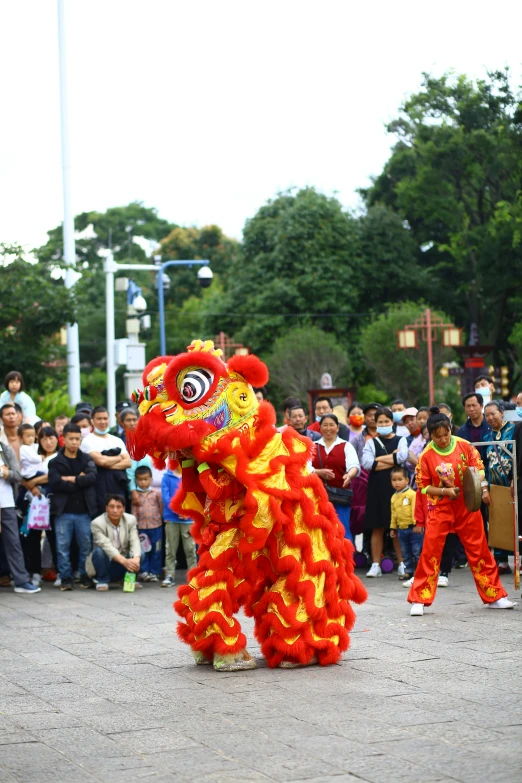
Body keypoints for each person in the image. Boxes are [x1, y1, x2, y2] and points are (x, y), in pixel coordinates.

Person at [408, 406, 514, 616]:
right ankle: (419, 599)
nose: (444, 440)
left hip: (467, 506)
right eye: (438, 437)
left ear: (450, 429)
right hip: (440, 508)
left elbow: (479, 468)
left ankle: (494, 595)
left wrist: (482, 489)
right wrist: (445, 491)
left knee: (479, 550)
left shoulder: (464, 446)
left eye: (446, 434)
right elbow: (423, 486)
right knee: (430, 553)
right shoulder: (427, 455)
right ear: (430, 435)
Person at [48, 423, 97, 591]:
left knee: (85, 546)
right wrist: (78, 480)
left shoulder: (86, 459)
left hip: (84, 511)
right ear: (64, 439)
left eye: (77, 439)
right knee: (62, 547)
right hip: (63, 511)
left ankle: (84, 575)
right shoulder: (55, 461)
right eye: (71, 439)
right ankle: (66, 578)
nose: (75, 442)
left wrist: (69, 479)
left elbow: (92, 478)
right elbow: (55, 483)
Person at [361, 407, 405, 578]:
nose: (384, 424)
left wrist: (378, 460)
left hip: (397, 489)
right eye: (380, 422)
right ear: (376, 424)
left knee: (398, 527)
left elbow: (402, 457)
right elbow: (366, 463)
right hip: (376, 488)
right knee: (377, 528)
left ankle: (402, 563)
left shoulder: (401, 440)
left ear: (392, 422)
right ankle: (375, 564)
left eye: (387, 421)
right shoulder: (371, 442)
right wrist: (392, 460)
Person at [18, 426, 59, 584]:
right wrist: (31, 486)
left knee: (54, 537)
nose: (48, 442)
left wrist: (33, 482)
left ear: (57, 438)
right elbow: (19, 473)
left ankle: (59, 571)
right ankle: (34, 571)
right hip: (33, 504)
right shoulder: (32, 454)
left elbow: (54, 476)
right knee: (32, 538)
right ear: (38, 440)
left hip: (53, 502)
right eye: (44, 439)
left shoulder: (60, 456)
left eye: (51, 438)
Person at [311, 414, 360, 542]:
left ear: (337, 427)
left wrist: (349, 475)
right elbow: (305, 468)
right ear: (320, 428)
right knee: (320, 531)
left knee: (342, 529)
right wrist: (318, 472)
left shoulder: (346, 446)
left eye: (331, 425)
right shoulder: (313, 446)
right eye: (325, 425)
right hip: (317, 497)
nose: (328, 428)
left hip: (340, 496)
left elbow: (354, 466)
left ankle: (346, 560)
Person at [0, 439, 40, 593]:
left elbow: (17, 474)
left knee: (13, 543)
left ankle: (21, 581)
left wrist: (4, 472)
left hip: (6, 502)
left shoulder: (5, 449)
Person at [483, 401, 515, 575]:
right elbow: (483, 464)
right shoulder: (487, 438)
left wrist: (516, 479)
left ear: (502, 412)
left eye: (493, 413)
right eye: (487, 415)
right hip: (494, 486)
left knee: (518, 522)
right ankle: (501, 561)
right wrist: (485, 488)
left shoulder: (514, 431)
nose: (490, 418)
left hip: (513, 485)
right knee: (497, 522)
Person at [81, 406, 131, 514]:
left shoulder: (117, 440)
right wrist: (119, 457)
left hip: (118, 486)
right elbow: (101, 462)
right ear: (92, 421)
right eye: (99, 419)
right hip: (98, 487)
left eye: (105, 418)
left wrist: (106, 462)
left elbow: (128, 462)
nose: (103, 421)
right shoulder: (87, 441)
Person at [87, 495, 141, 591]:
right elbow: (105, 545)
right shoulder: (96, 523)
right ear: (106, 508)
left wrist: (136, 559)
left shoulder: (131, 519)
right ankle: (102, 580)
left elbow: (134, 540)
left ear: (124, 509)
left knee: (140, 554)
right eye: (111, 507)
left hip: (123, 561)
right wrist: (124, 561)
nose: (115, 510)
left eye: (119, 507)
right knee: (99, 551)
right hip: (106, 562)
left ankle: (128, 579)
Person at [161, 465, 197, 587]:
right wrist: (177, 510)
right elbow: (166, 498)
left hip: (188, 520)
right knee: (170, 548)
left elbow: (195, 495)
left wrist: (187, 510)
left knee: (190, 548)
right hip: (171, 519)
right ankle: (169, 574)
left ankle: (193, 575)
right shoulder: (166, 477)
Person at [390, 466, 423, 581]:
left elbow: (416, 509)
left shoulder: (412, 494)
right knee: (405, 552)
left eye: (400, 479)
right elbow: (394, 514)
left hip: (413, 528)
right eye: (394, 480)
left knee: (417, 551)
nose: (397, 483)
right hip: (401, 529)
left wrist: (416, 524)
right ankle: (408, 571)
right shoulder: (394, 497)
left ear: (407, 480)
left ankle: (420, 571)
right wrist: (393, 528)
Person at [131, 465, 163, 582]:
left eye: (145, 479)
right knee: (143, 550)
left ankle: (155, 572)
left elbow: (161, 507)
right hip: (141, 528)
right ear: (136, 480)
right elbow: (133, 512)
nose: (143, 482)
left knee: (156, 549)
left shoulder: (156, 493)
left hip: (156, 527)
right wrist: (134, 526)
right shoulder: (135, 496)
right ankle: (144, 571)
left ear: (151, 479)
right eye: (140, 480)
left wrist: (161, 519)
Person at [396, 407, 420, 478]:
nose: (410, 423)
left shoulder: (428, 437)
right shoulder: (405, 441)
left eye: (412, 419)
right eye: (406, 422)